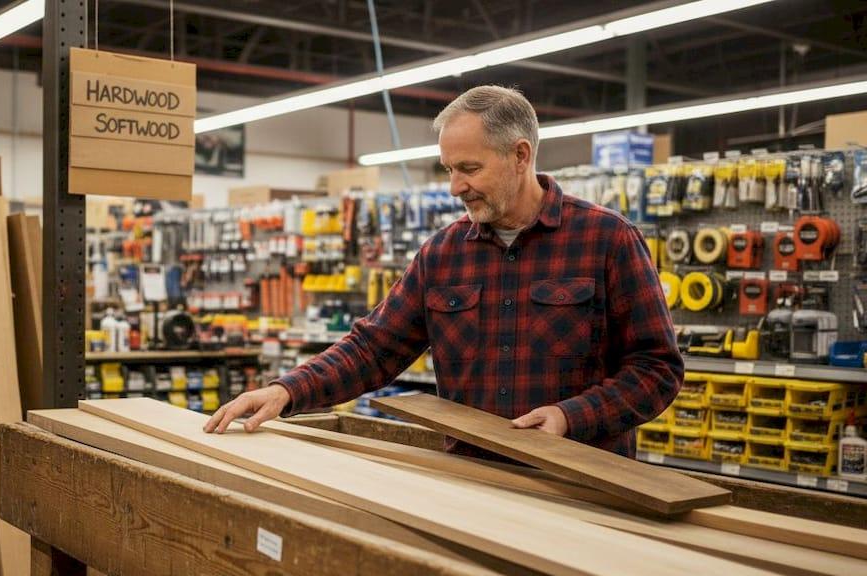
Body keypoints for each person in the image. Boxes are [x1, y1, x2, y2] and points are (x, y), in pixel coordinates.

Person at [204, 85, 683, 458]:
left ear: (520, 156)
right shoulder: (444, 254)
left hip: (586, 487)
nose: (455, 187)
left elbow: (656, 369)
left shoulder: (607, 240)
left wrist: (569, 417)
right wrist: (286, 390)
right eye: (448, 169)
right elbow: (374, 349)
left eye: (469, 168)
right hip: (472, 482)